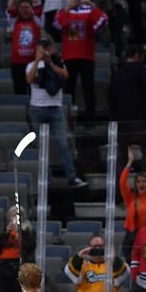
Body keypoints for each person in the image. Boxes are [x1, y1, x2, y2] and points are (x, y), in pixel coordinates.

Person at [26, 35, 87, 188]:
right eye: (41, 49)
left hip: (55, 108)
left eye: (46, 49)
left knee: (62, 143)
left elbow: (65, 75)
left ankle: (72, 177)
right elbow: (29, 79)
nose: (44, 51)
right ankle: (46, 178)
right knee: (41, 146)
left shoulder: (58, 63)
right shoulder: (30, 65)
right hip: (37, 108)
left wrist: (49, 63)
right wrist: (38, 61)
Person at [54, 0, 107, 121]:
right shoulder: (63, 10)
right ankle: (66, 119)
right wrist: (67, 9)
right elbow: (59, 25)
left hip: (86, 56)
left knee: (88, 89)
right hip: (69, 56)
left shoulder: (88, 10)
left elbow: (102, 22)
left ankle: (91, 121)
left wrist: (92, 6)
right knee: (68, 89)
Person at [119, 145, 146, 260]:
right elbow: (122, 183)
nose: (141, 184)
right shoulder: (131, 198)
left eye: (144, 181)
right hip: (131, 235)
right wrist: (129, 163)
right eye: (138, 181)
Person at [0, 205, 36, 292]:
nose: (14, 217)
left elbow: (30, 246)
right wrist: (6, 233)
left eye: (17, 215)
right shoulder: (5, 230)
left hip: (20, 264)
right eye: (12, 215)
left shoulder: (28, 230)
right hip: (3, 264)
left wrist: (20, 234)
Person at [6, 0, 44, 95]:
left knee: (34, 92)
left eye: (27, 7)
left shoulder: (37, 20)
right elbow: (10, 6)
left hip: (33, 62)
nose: (24, 10)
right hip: (17, 63)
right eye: (22, 7)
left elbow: (38, 3)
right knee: (19, 91)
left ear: (31, 9)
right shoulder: (15, 21)